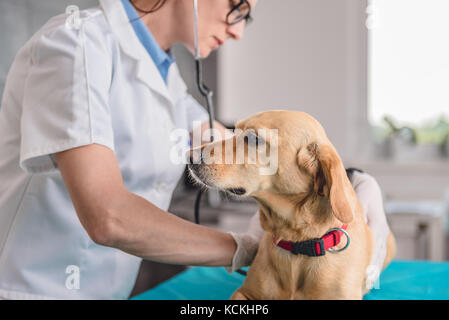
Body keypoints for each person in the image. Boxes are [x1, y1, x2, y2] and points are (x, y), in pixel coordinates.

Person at [0, 0, 389, 299]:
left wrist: (352, 180)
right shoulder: (77, 44)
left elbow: (235, 148)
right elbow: (108, 217)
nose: (238, 32)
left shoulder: (168, 81)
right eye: (239, 10)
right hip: (31, 287)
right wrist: (246, 248)